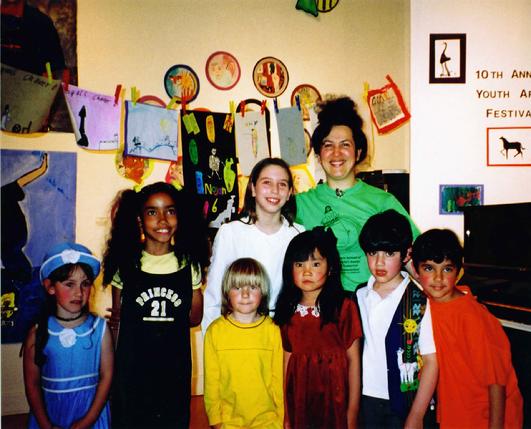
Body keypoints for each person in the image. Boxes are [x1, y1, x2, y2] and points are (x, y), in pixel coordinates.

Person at [102, 181, 209, 429]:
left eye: (170, 211)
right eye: (152, 212)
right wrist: (109, 370)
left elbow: (194, 318)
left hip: (174, 366)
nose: (163, 220)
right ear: (139, 220)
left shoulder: (189, 264)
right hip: (133, 367)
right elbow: (118, 321)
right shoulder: (126, 264)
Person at [295, 96, 419, 292]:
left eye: (345, 144)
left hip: (372, 307)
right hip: (323, 310)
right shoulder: (300, 204)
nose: (336, 153)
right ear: (318, 155)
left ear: (358, 152)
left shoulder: (383, 202)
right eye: (328, 145)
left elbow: (416, 257)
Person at [411, 229, 523, 428]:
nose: (438, 278)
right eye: (429, 268)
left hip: (484, 416)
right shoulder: (427, 305)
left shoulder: (473, 317)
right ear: (417, 271)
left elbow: (496, 383)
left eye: (447, 269)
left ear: (459, 271)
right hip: (455, 411)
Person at [202, 157, 304, 333]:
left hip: (284, 332)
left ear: (289, 193)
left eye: (282, 184)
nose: (274, 190)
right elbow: (214, 297)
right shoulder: (230, 233)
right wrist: (211, 341)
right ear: (253, 188)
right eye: (267, 182)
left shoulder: (298, 234)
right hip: (240, 329)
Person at [356, 210, 437, 428]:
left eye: (389, 253)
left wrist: (417, 414)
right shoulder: (360, 295)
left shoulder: (419, 300)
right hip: (365, 398)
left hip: (404, 401)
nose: (379, 262)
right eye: (373, 253)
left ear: (406, 254)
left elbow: (431, 362)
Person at [274, 227, 362, 428]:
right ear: (290, 269)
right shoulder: (287, 311)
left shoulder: (344, 308)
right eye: (299, 264)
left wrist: (352, 412)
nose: (307, 272)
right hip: (301, 399)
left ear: (330, 268)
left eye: (315, 264)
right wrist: (287, 414)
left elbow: (354, 361)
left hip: (336, 399)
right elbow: (287, 362)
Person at [22, 242, 113, 429]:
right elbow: (31, 384)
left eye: (85, 284)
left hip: (91, 413)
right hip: (51, 414)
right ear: (50, 287)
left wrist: (87, 421)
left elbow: (107, 376)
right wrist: (46, 425)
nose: (78, 292)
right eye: (69, 284)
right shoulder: (38, 332)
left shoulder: (100, 330)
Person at [204, 258, 283, 428]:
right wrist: (215, 419)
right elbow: (211, 382)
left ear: (262, 291)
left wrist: (283, 418)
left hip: (268, 422)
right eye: (237, 287)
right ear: (227, 292)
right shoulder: (215, 332)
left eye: (253, 287)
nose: (245, 294)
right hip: (229, 422)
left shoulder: (273, 331)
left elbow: (279, 380)